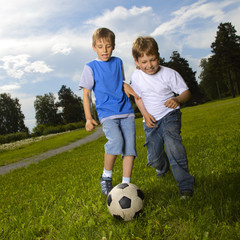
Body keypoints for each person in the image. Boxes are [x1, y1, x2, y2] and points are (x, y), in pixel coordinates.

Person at [130, 36, 195, 198]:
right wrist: (145, 114)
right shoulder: (136, 76)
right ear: (136, 61)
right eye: (143, 62)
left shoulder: (169, 74)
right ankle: (162, 167)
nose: (149, 65)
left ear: (158, 57)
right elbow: (137, 98)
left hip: (169, 116)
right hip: (150, 121)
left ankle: (186, 187)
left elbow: (186, 93)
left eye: (152, 60)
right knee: (154, 159)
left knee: (174, 147)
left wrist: (177, 99)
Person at [79, 28, 137, 196]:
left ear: (114, 46)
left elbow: (120, 81)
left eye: (108, 46)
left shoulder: (118, 62)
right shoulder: (90, 67)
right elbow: (87, 94)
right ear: (94, 47)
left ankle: (126, 185)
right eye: (100, 46)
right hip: (107, 114)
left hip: (126, 111)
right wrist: (88, 118)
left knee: (130, 149)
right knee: (116, 142)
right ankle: (106, 176)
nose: (104, 50)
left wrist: (126, 86)